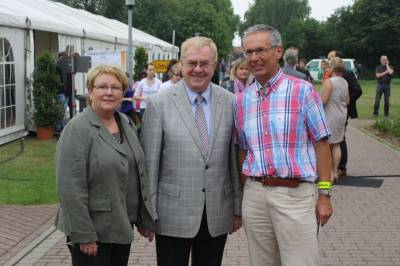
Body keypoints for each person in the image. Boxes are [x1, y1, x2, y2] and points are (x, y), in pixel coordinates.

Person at [235, 24, 333, 266]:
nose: (254, 58)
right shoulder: (241, 100)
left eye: (261, 50)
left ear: (278, 51)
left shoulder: (303, 91)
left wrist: (324, 195)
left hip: (295, 196)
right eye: (248, 52)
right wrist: (247, 189)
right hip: (255, 197)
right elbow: (243, 150)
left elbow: (322, 145)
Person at [140, 36, 243, 266]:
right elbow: (150, 165)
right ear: (181, 65)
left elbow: (233, 160)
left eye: (204, 64)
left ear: (214, 66)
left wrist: (237, 207)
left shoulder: (230, 102)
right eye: (192, 63)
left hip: (216, 213)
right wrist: (147, 215)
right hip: (171, 214)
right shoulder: (159, 103)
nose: (198, 69)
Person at [55, 64, 155, 266]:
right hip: (93, 233)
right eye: (102, 87)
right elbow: (70, 187)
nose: (109, 92)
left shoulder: (126, 123)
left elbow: (137, 173)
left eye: (116, 87)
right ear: (90, 91)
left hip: (121, 226)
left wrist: (143, 219)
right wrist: (84, 234)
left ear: (122, 93)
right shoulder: (77, 129)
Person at [327, 50, 362, 177]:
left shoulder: (347, 75)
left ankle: (340, 168)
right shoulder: (338, 78)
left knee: (338, 140)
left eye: (330, 59)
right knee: (338, 139)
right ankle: (336, 169)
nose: (328, 62)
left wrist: (345, 103)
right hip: (338, 111)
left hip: (336, 112)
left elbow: (358, 90)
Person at [320, 57, 349, 183]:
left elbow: (324, 101)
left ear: (332, 67)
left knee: (327, 145)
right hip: (341, 115)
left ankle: (330, 174)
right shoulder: (345, 82)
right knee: (337, 144)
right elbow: (347, 101)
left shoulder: (329, 82)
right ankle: (335, 172)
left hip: (330, 115)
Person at [55, 52, 68, 133]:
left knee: (63, 110)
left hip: (66, 92)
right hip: (60, 92)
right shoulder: (56, 66)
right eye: (63, 58)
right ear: (59, 57)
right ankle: (59, 126)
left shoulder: (66, 67)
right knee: (60, 109)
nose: (64, 59)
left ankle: (61, 125)